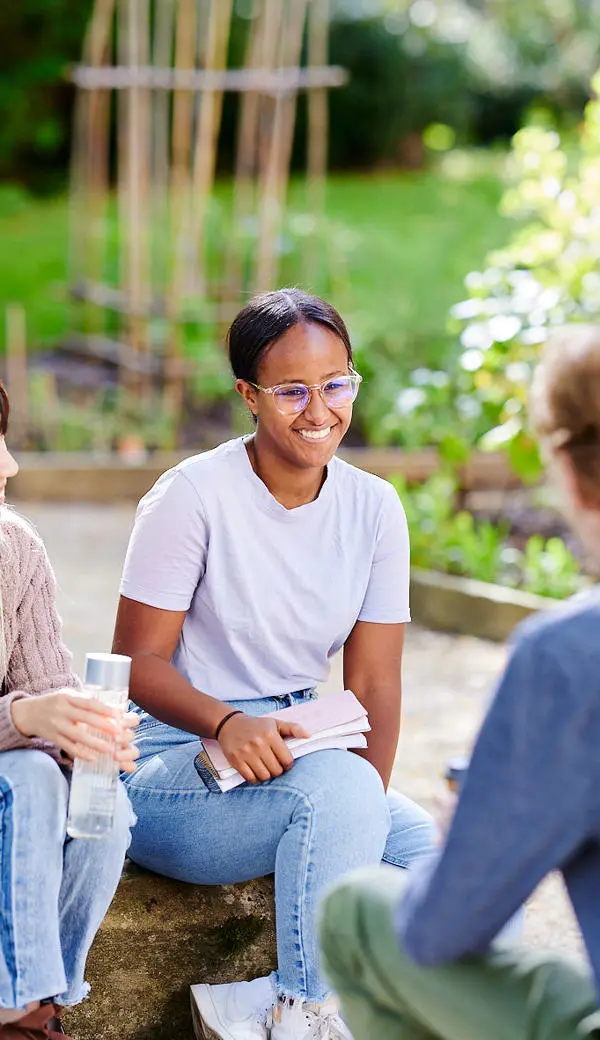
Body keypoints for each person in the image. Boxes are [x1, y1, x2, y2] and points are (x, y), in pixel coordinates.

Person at [320, 314, 600, 1040]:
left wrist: (470, 830)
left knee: (357, 913)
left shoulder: (575, 654)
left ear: (571, 472)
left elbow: (441, 932)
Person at [112, 289, 439, 1040]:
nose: (318, 410)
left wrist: (356, 810)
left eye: (336, 385)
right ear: (248, 395)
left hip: (299, 751)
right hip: (171, 759)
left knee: (433, 865)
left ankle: (247, 1007)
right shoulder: (192, 497)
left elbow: (375, 683)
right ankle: (302, 1014)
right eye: (291, 390)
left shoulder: (374, 508)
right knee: (342, 797)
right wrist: (227, 722)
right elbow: (135, 664)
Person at [0, 381, 138, 1040]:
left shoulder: (12, 548)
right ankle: (18, 1013)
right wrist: (27, 720)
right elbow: (26, 716)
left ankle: (42, 1004)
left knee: (102, 803)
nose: (9, 465)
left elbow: (46, 684)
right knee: (30, 777)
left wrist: (84, 731)